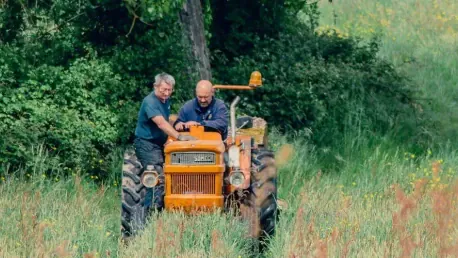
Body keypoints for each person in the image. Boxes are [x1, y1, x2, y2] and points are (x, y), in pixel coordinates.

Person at [133, 72, 195, 210]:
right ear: (156, 87)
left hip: (159, 144)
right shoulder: (150, 101)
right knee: (156, 179)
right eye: (164, 90)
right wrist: (179, 137)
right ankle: (150, 216)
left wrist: (175, 133)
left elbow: (168, 120)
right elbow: (161, 123)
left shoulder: (165, 100)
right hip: (146, 144)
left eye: (169, 90)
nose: (167, 93)